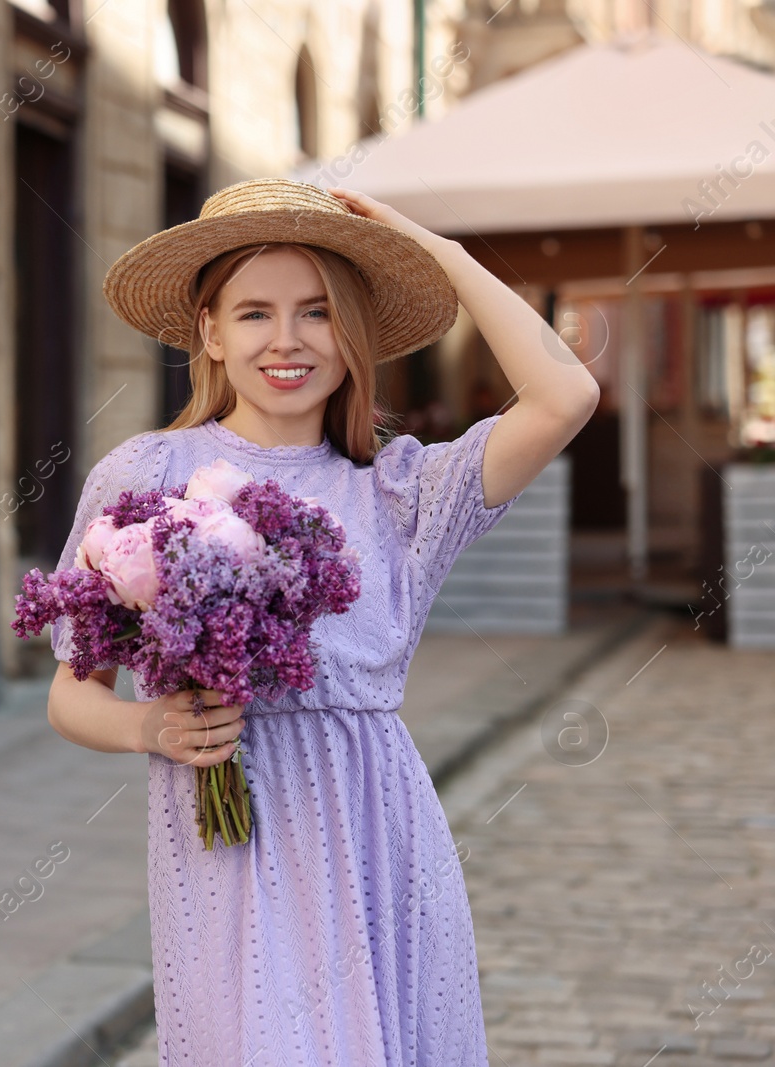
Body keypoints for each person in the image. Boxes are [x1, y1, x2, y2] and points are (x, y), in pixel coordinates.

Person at [44, 179, 598, 1064]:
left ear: (354, 333)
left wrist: (442, 256)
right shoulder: (145, 473)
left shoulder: (403, 488)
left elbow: (565, 395)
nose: (288, 340)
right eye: (255, 312)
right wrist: (152, 725)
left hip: (381, 847)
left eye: (318, 311)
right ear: (210, 331)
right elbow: (71, 697)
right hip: (227, 855)